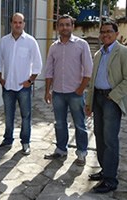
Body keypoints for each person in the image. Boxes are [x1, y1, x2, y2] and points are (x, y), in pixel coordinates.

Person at [85, 20, 127, 193]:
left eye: (109, 31)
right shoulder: (98, 54)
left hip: (112, 100)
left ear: (116, 34)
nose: (105, 34)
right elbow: (93, 81)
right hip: (98, 99)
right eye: (102, 31)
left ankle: (110, 179)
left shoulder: (125, 52)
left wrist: (113, 96)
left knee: (110, 139)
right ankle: (104, 171)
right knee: (99, 137)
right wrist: (89, 102)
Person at [43, 15, 93, 166]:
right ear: (58, 27)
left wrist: (80, 89)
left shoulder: (81, 45)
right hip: (58, 93)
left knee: (79, 124)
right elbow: (49, 70)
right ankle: (61, 150)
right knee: (59, 123)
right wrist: (47, 90)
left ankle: (82, 153)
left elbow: (88, 70)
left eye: (67, 25)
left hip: (75, 93)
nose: (64, 28)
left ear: (72, 26)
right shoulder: (53, 47)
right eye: (61, 25)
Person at [0, 13, 42, 155]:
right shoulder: (4, 41)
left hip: (23, 87)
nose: (17, 25)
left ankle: (25, 142)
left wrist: (30, 81)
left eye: (20, 22)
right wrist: (0, 78)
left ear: (24, 24)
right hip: (7, 86)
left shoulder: (30, 41)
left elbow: (38, 65)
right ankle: (7, 139)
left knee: (26, 116)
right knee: (8, 115)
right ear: (11, 23)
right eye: (15, 22)